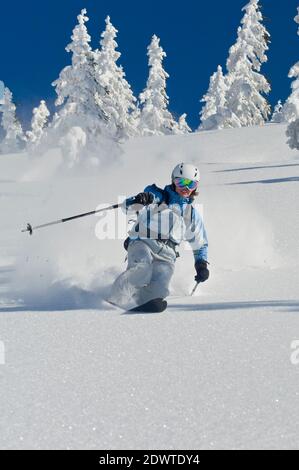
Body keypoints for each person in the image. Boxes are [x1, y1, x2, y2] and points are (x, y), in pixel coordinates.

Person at [107, 162, 209, 312]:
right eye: (181, 183)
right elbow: (127, 207)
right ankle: (116, 298)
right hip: (143, 242)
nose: (186, 189)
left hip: (168, 254)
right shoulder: (157, 196)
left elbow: (200, 244)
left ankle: (140, 302)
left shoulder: (191, 215)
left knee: (160, 288)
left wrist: (201, 265)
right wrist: (139, 199)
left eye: (191, 184)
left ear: (196, 187)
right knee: (142, 268)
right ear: (173, 181)